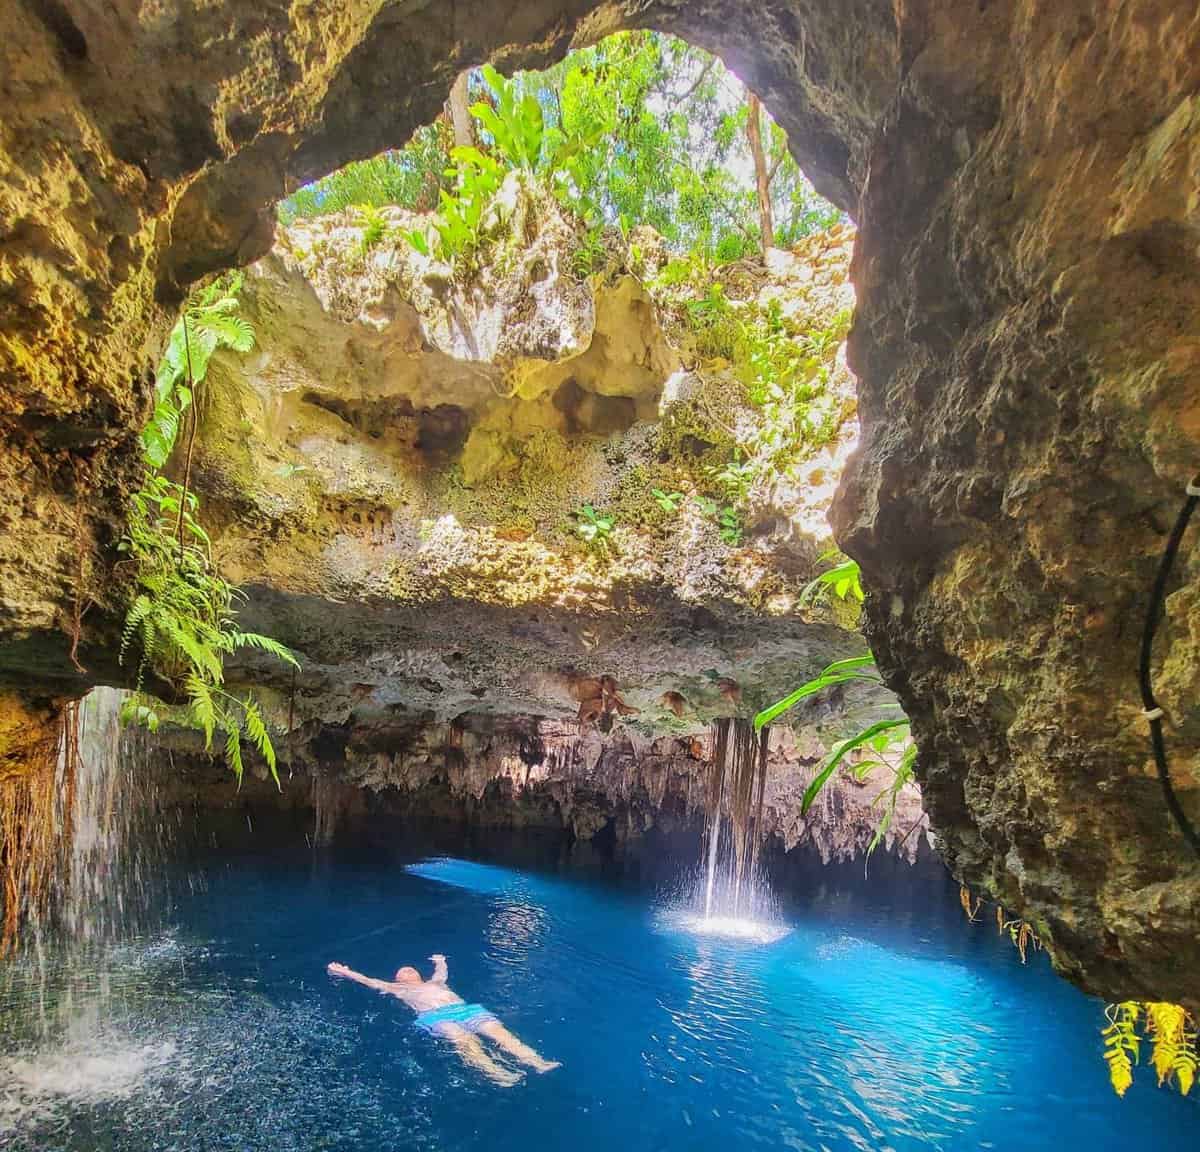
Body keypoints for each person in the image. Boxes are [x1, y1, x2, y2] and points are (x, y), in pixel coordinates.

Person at [327, 954, 560, 1087]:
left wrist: (440, 960)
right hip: (435, 1017)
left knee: (502, 1035)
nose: (407, 971)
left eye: (410, 969)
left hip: (465, 1010)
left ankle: (537, 1062)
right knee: (466, 1043)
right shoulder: (396, 989)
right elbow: (368, 981)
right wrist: (345, 972)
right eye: (403, 971)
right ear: (397, 979)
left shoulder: (435, 983)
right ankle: (498, 1073)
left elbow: (442, 973)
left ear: (418, 974)